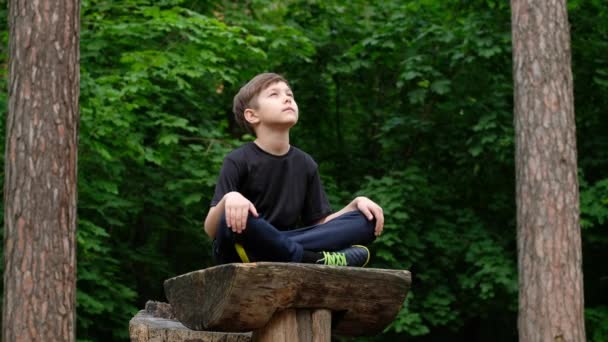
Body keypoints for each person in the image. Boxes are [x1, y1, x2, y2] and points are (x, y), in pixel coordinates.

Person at [204, 72, 384, 267]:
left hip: (281, 240)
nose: (287, 98)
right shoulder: (238, 159)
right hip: (241, 244)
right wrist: (229, 198)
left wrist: (355, 205)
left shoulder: (305, 163)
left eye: (289, 94)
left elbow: (319, 225)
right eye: (274, 94)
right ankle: (310, 259)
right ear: (252, 115)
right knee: (238, 220)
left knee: (366, 220)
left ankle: (282, 253)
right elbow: (212, 230)